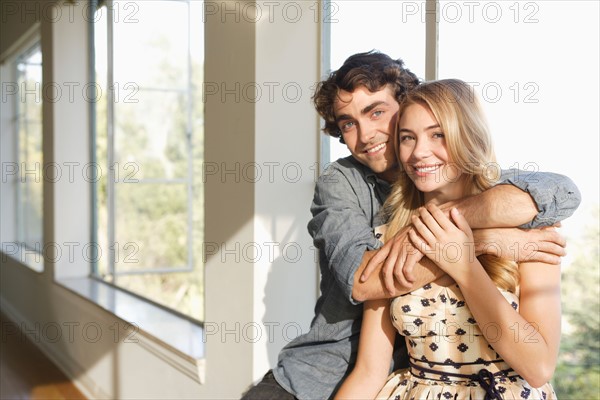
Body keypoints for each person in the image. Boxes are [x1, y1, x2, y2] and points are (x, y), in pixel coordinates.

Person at [241, 51, 580, 400]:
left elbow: (561, 192)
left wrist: (457, 238)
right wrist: (482, 240)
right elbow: (365, 284)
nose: (366, 134)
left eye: (376, 113)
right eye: (348, 123)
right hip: (318, 378)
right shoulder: (355, 199)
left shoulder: (514, 213)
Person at [335, 79, 561, 400]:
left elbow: (538, 367)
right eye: (407, 138)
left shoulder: (529, 232)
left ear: (469, 137)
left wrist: (464, 264)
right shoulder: (392, 238)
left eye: (437, 134)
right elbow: (369, 373)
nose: (419, 153)